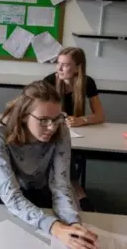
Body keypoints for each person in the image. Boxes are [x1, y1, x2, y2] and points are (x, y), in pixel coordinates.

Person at [0, 81, 99, 249]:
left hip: (39, 189)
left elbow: (61, 185)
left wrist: (72, 223)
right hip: (3, 197)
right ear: (24, 115)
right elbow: (10, 195)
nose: (51, 127)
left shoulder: (61, 131)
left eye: (56, 119)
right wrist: (55, 227)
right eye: (43, 120)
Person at [44, 47, 104, 212]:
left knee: (67, 151)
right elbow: (36, 112)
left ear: (78, 67)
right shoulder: (49, 81)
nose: (59, 68)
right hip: (51, 132)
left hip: (76, 134)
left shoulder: (87, 82)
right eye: (58, 63)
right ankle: (79, 194)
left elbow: (99, 115)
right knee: (61, 150)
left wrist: (81, 120)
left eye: (65, 65)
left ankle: (73, 192)